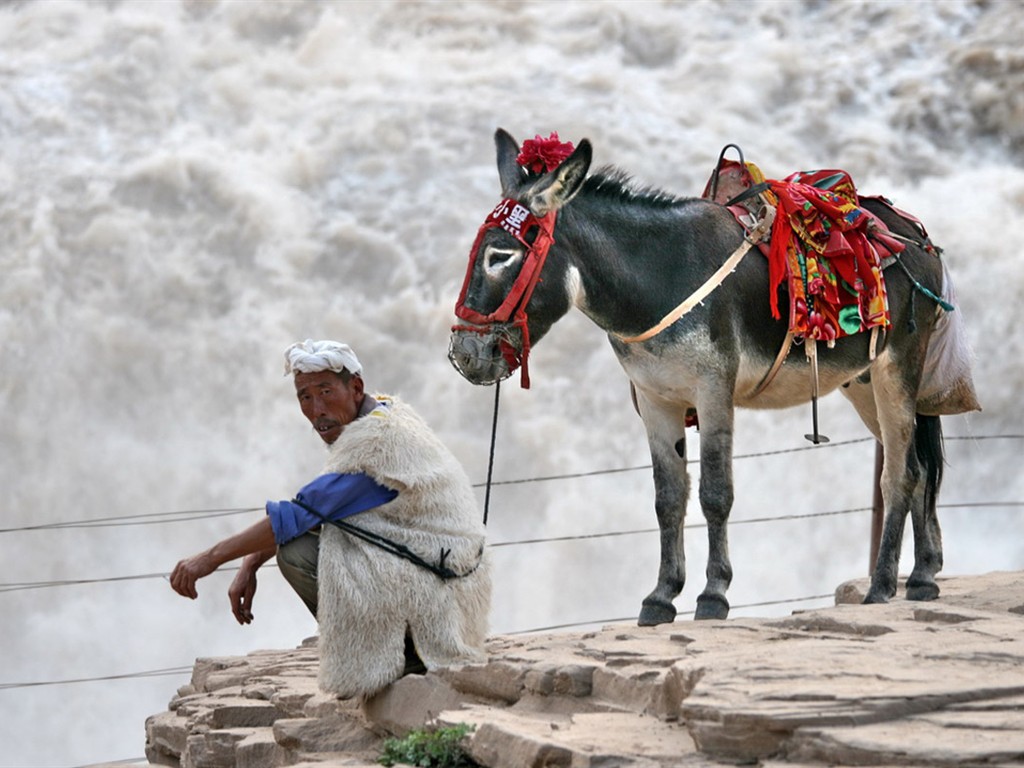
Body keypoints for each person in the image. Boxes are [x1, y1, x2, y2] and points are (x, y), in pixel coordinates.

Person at [170, 339, 491, 698]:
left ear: (355, 388)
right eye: (305, 397)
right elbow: (317, 509)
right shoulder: (383, 413)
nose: (316, 409)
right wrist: (250, 564)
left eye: (325, 392)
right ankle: (393, 644)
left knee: (296, 553)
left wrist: (208, 560)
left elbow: (300, 515)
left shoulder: (377, 444)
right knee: (311, 538)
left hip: (442, 590)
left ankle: (397, 657)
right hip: (446, 574)